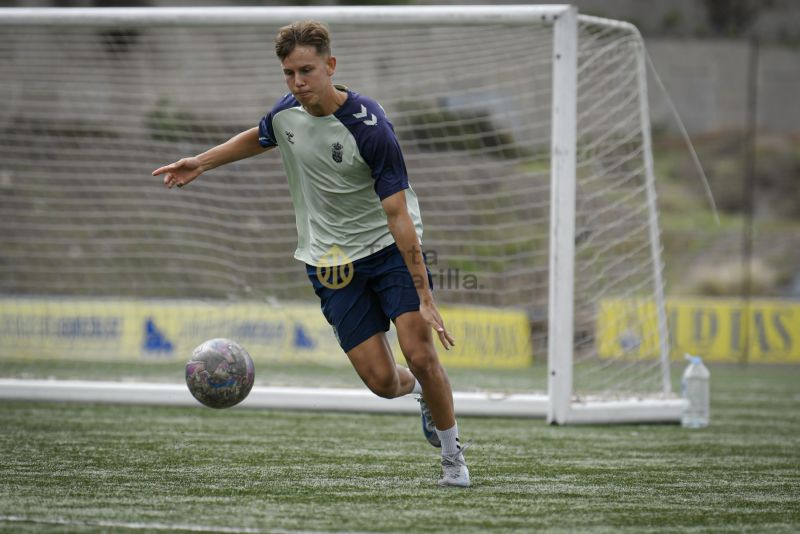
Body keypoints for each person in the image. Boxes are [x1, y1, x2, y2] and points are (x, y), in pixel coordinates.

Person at [152, 20, 470, 487]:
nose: (297, 82)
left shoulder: (370, 126)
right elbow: (259, 135)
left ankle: (452, 458)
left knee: (420, 352)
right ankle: (422, 392)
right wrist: (200, 161)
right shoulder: (287, 113)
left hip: (388, 250)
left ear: (330, 65)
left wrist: (424, 294)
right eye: (288, 73)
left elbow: (398, 215)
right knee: (383, 383)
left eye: (306, 71)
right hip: (331, 262)